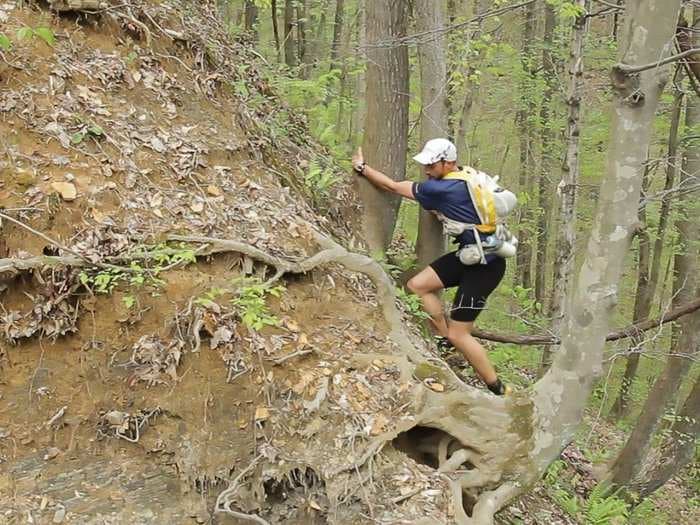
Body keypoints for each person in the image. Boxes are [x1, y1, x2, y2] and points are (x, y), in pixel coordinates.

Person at [352, 138, 510, 396]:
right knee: (417, 285)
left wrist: (362, 168)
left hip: (486, 268)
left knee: (462, 335)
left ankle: (498, 388)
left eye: (431, 164)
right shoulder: (466, 176)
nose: (426, 169)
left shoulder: (441, 190)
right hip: (473, 255)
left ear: (448, 163)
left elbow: (391, 186)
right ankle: (444, 338)